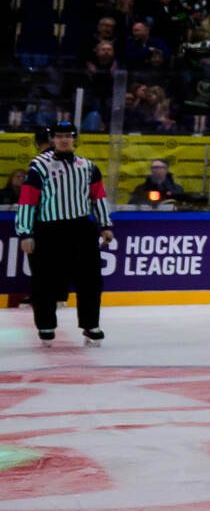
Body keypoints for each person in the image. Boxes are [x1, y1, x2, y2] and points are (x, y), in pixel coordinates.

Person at [15, 120, 115, 346]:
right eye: (59, 136)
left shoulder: (87, 166)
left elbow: (98, 197)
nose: (64, 139)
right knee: (45, 281)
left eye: (68, 136)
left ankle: (91, 325)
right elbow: (28, 201)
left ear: (75, 139)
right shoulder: (39, 166)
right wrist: (25, 232)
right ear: (52, 139)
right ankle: (46, 325)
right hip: (49, 229)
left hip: (80, 228)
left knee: (90, 280)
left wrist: (105, 225)